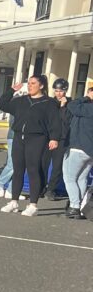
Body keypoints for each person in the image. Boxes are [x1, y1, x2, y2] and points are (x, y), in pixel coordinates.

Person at [0, 75, 63, 217]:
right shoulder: (21, 100)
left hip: (37, 138)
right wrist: (11, 90)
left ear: (41, 86)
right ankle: (14, 202)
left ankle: (33, 204)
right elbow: (2, 104)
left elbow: (55, 122)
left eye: (33, 83)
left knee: (33, 169)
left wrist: (54, 138)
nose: (30, 86)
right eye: (29, 83)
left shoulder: (49, 103)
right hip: (19, 138)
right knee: (18, 169)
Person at [62, 80, 93, 218]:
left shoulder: (87, 108)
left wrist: (86, 97)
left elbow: (72, 105)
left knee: (69, 178)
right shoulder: (86, 109)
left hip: (78, 147)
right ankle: (79, 206)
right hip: (90, 151)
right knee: (81, 178)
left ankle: (74, 206)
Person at [43, 79, 71, 201]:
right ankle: (41, 187)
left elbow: (66, 121)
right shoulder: (50, 102)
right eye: (56, 91)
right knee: (43, 163)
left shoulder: (70, 103)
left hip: (62, 138)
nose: (58, 94)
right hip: (48, 137)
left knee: (57, 166)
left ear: (65, 91)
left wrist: (63, 107)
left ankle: (51, 189)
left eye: (61, 91)